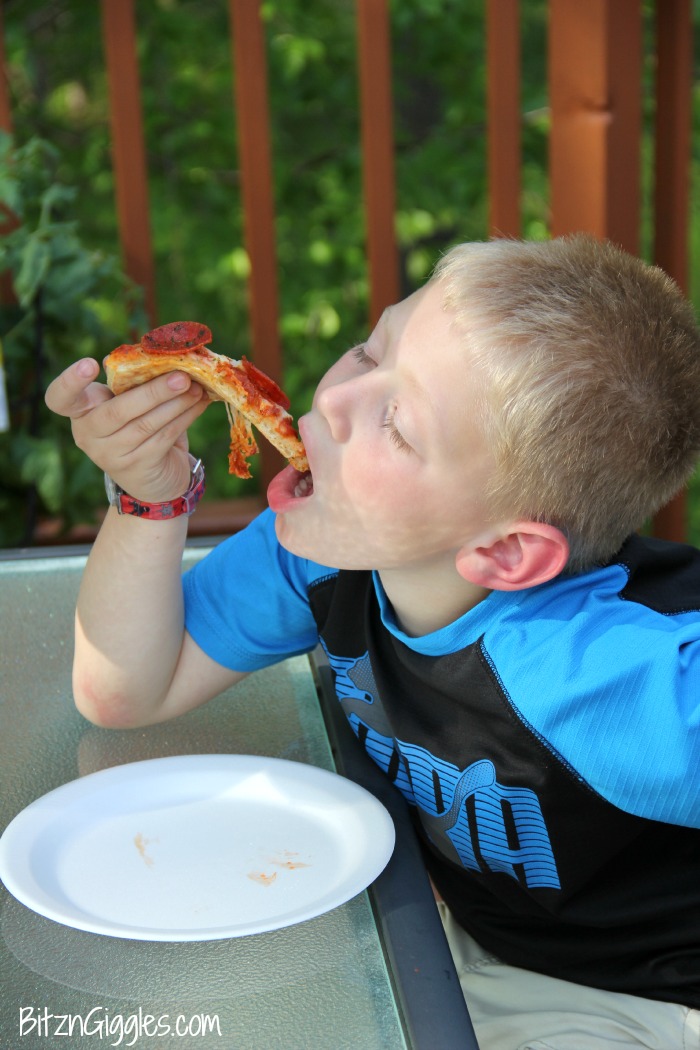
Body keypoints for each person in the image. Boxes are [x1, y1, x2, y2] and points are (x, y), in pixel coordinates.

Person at [46, 234, 700, 1049]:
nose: (335, 402)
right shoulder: (320, 555)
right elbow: (124, 690)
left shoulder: (609, 679)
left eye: (397, 424)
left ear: (503, 552)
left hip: (637, 997)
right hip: (441, 946)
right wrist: (149, 499)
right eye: (369, 350)